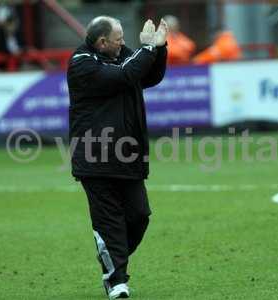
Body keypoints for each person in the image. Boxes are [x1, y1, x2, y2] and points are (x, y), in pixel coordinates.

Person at [67, 16, 168, 299]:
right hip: (95, 157)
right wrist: (146, 50)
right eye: (119, 38)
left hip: (128, 155)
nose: (124, 43)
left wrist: (159, 49)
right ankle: (116, 281)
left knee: (139, 217)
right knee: (109, 222)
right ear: (102, 42)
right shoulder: (81, 63)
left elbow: (148, 75)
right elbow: (124, 75)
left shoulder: (120, 56)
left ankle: (113, 255)